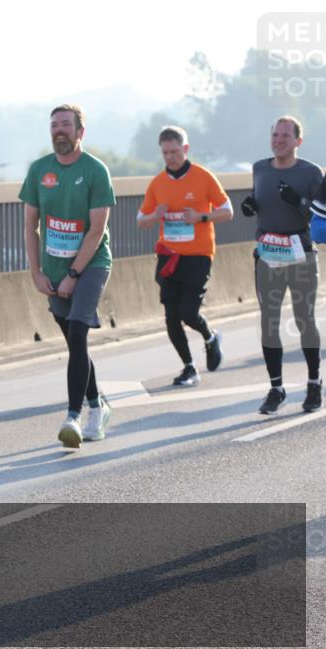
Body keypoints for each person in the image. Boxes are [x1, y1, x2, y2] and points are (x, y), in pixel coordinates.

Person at [20, 104, 116, 448]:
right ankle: (97, 405)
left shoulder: (95, 171)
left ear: (80, 132)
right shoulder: (39, 171)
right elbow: (30, 226)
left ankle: (73, 417)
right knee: (74, 343)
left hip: (91, 264)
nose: (59, 130)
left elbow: (96, 230)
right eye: (54, 125)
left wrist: (75, 274)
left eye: (66, 125)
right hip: (54, 268)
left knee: (78, 333)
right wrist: (36, 272)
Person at [137, 126, 233, 386]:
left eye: (175, 151)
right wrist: (154, 216)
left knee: (188, 313)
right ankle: (189, 367)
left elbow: (228, 211)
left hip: (199, 254)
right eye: (165, 153)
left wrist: (201, 217)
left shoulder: (203, 177)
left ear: (186, 149)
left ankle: (211, 338)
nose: (170, 157)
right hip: (168, 255)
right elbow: (140, 220)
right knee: (170, 316)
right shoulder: (157, 183)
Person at [241, 116, 324, 414]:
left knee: (304, 320)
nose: (278, 140)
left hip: (300, 253)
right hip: (268, 254)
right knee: (269, 322)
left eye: (285, 136)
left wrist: (298, 201)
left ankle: (314, 384)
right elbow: (260, 200)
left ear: (298, 141)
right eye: (275, 134)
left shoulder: (312, 173)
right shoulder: (260, 168)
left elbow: (319, 219)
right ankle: (276, 388)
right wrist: (250, 205)